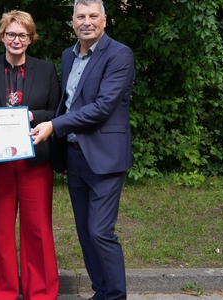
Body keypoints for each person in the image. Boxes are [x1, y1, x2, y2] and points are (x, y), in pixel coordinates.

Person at [30, 0, 135, 299]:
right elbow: (68, 102)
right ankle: (100, 292)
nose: (86, 22)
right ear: (73, 22)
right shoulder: (68, 55)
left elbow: (102, 108)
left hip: (105, 157)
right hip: (75, 156)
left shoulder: (119, 54)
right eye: (80, 16)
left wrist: (54, 126)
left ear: (105, 20)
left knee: (101, 232)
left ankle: (115, 296)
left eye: (93, 16)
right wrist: (49, 131)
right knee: (86, 234)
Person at [0, 10, 61, 300]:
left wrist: (32, 115)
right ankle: (5, 292)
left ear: (31, 38)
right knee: (0, 228)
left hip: (34, 159)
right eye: (11, 34)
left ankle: (42, 292)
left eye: (23, 35)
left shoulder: (46, 69)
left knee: (37, 228)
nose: (17, 40)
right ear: (1, 36)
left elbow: (57, 110)